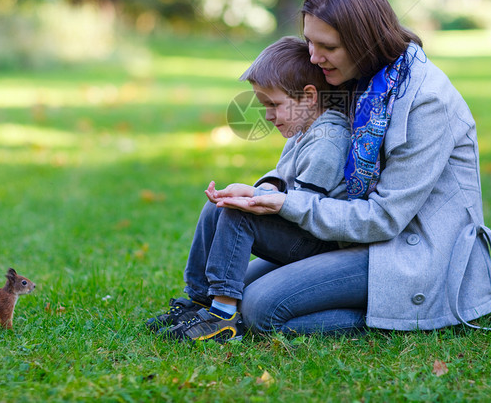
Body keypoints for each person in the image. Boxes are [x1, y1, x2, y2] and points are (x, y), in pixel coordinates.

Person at [213, 0, 491, 335]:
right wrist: (265, 190)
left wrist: (284, 204)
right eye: (309, 41)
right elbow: (299, 160)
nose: (313, 56)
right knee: (236, 287)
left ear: (364, 42)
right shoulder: (348, 80)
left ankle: (403, 317)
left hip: (407, 253)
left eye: (328, 47)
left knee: (261, 309)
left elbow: (384, 219)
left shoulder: (427, 101)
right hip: (345, 234)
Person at [147, 36, 351, 342]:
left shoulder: (328, 140)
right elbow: (285, 177)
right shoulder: (305, 130)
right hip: (302, 230)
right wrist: (261, 189)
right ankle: (200, 300)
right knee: (222, 205)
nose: (268, 115)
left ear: (309, 97)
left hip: (319, 242)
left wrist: (256, 202)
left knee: (241, 216)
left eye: (274, 105)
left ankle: (223, 317)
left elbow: (308, 207)